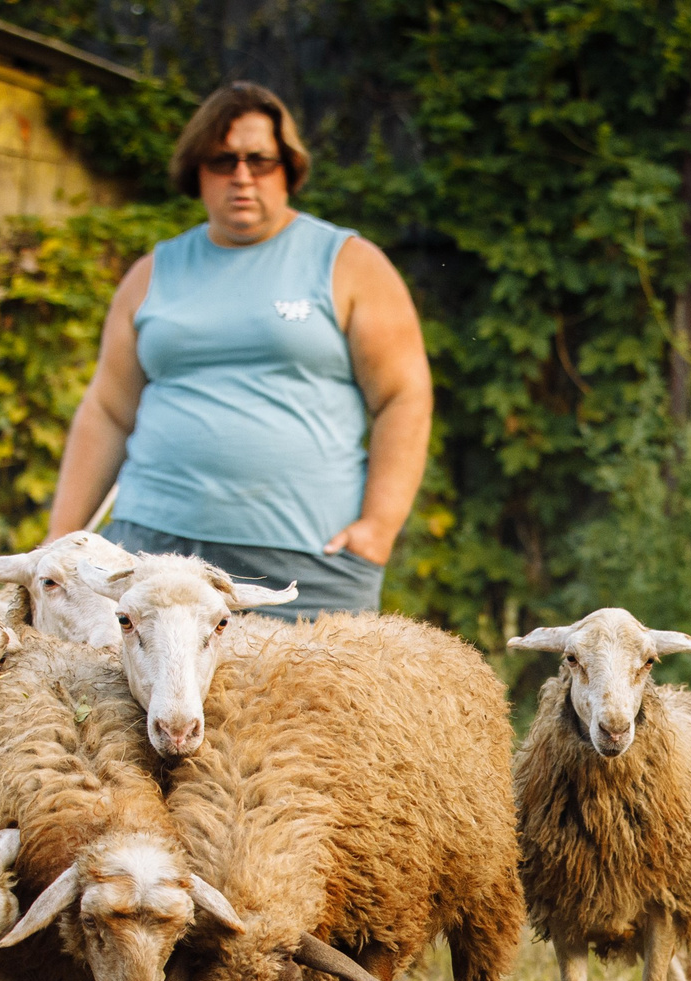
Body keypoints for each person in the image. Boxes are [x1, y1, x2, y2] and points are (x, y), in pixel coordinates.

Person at [44, 82, 431, 618]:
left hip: (309, 566)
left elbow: (403, 397)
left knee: (319, 680)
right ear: (197, 171)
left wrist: (378, 529)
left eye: (260, 160)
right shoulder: (151, 274)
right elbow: (108, 410)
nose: (242, 176)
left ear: (289, 168)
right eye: (223, 160)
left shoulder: (350, 263)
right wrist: (62, 539)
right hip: (151, 554)